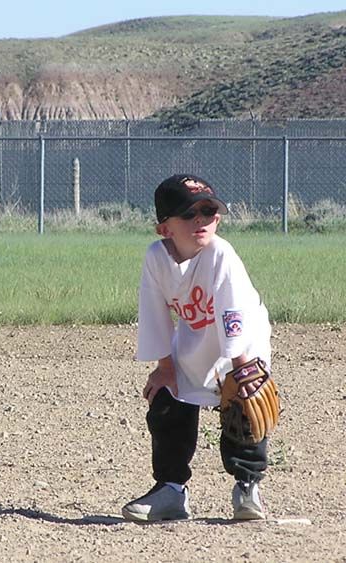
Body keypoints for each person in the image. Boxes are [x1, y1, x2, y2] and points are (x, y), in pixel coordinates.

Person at [122, 174, 272, 522]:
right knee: (166, 397)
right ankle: (171, 490)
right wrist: (164, 366)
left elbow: (234, 314)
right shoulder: (156, 258)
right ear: (164, 229)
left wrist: (242, 367)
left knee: (244, 405)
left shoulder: (221, 253)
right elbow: (154, 313)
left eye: (208, 211)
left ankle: (248, 487)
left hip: (243, 342)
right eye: (188, 214)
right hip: (195, 337)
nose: (201, 220)